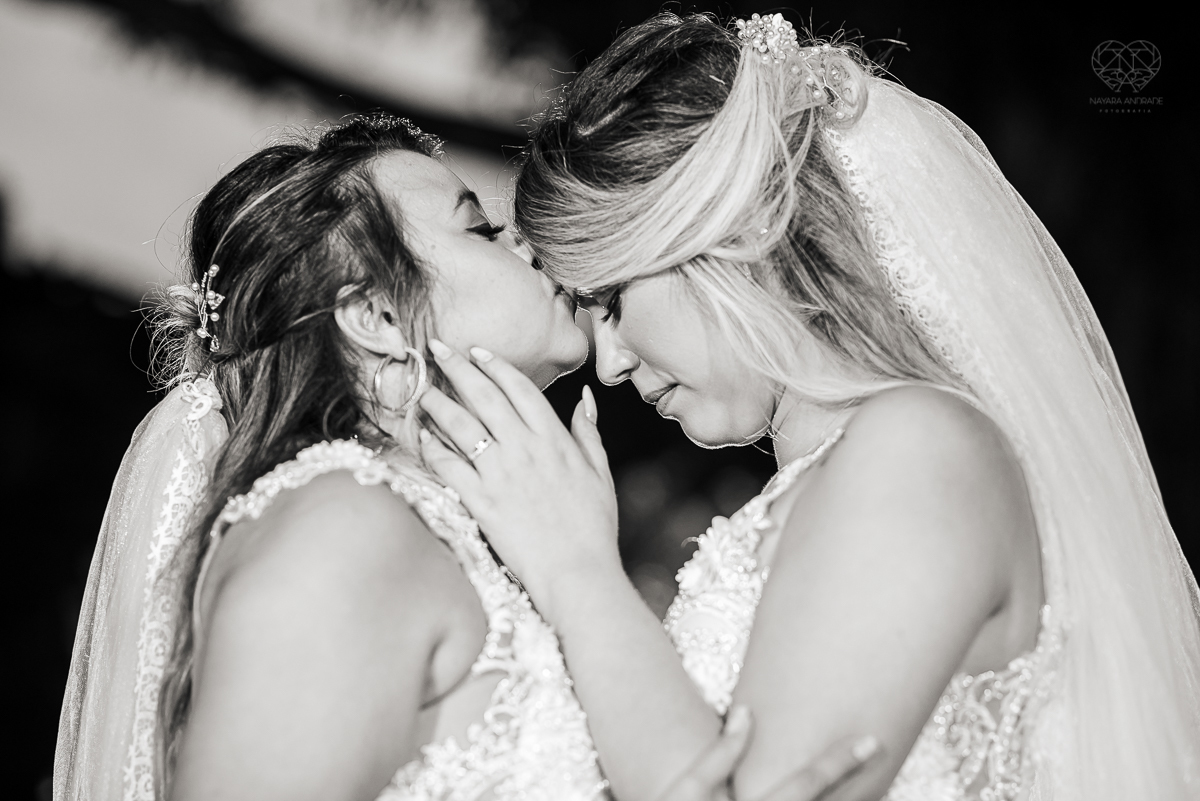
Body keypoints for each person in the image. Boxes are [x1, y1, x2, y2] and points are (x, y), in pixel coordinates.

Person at [416, 12, 1200, 801]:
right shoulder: (852, 471)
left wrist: (575, 568)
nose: (611, 364)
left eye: (613, 301)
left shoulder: (918, 450)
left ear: (742, 231)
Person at [53, 113, 880, 801]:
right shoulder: (338, 530)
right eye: (479, 228)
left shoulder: (444, 538)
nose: (527, 243)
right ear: (377, 316)